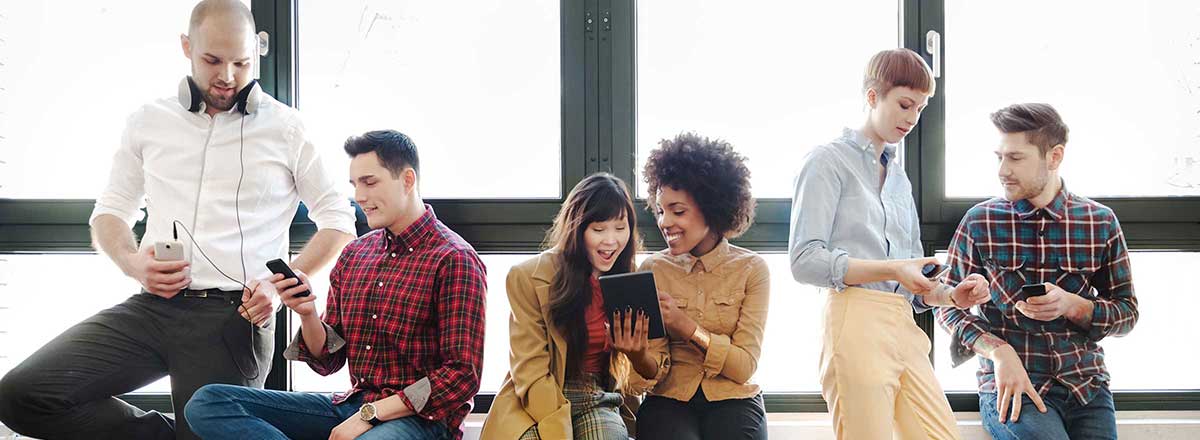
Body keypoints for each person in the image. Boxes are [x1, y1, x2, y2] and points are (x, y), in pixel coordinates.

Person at [0, 1, 356, 438]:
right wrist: (133, 263)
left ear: (257, 54)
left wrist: (281, 284)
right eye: (212, 60)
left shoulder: (287, 128)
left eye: (241, 63)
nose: (227, 76)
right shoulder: (149, 121)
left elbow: (339, 219)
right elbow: (109, 213)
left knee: (214, 426)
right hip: (153, 309)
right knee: (22, 395)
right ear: (187, 47)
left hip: (234, 318)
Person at [186, 129, 487, 440]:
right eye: (355, 185)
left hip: (422, 421)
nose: (359, 196)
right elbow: (328, 361)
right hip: (354, 405)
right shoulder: (356, 254)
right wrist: (306, 313)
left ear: (407, 180)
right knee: (209, 402)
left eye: (370, 182)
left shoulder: (455, 258)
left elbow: (461, 377)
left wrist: (370, 416)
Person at [788, 48, 988, 439]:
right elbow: (804, 260)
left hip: (904, 322)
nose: (912, 118)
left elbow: (916, 283)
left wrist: (952, 296)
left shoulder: (899, 179)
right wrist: (893, 269)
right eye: (904, 104)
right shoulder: (827, 162)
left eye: (920, 109)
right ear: (872, 97)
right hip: (854, 317)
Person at [936, 103, 1139, 440]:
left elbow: (1128, 312)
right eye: (999, 157)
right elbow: (946, 304)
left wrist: (1074, 305)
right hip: (1016, 387)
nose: (1002, 170)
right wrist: (997, 351)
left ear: (1054, 157)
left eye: (1015, 158)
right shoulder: (980, 221)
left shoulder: (1100, 221)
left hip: (1087, 385)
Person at [481, 172, 663, 440]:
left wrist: (637, 355)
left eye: (620, 228)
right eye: (599, 229)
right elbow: (530, 372)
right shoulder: (528, 276)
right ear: (577, 229)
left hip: (597, 394)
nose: (611, 241)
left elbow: (646, 377)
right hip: (539, 393)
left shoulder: (631, 282)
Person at [634, 132, 769, 440]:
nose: (664, 222)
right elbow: (654, 372)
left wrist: (686, 327)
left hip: (734, 398)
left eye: (677, 211)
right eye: (660, 210)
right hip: (669, 399)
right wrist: (636, 354)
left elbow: (743, 366)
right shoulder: (652, 270)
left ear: (712, 207)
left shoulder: (752, 270)